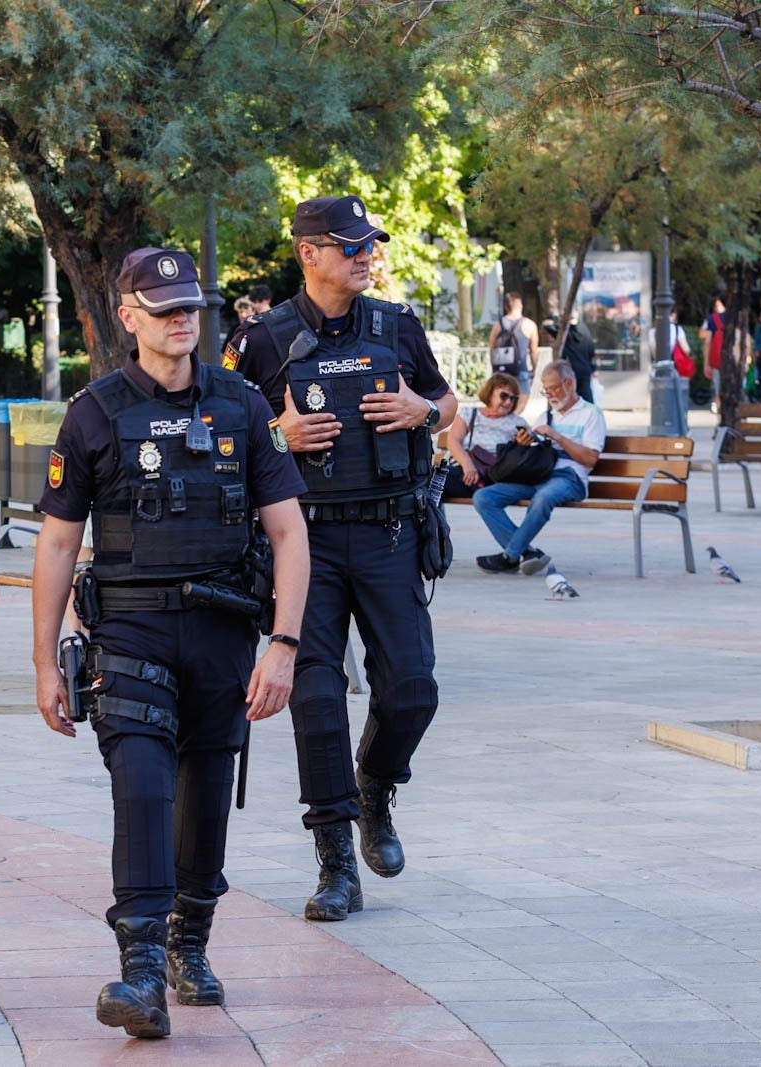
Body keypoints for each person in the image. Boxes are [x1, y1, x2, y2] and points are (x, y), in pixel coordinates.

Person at [32, 247, 309, 1038]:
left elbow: (289, 533)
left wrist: (283, 644)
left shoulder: (246, 406)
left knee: (204, 799)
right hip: (128, 627)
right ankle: (142, 965)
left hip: (223, 632)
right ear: (128, 317)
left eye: (190, 306)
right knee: (143, 788)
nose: (182, 319)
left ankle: (192, 939)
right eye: (163, 308)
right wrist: (44, 659)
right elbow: (57, 544)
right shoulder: (94, 411)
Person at [229, 194, 457, 924]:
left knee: (414, 687)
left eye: (369, 246)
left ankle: (376, 787)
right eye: (349, 246)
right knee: (318, 698)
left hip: (391, 535)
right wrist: (277, 433)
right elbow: (220, 433)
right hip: (308, 544)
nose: (365, 256)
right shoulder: (263, 340)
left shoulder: (397, 325)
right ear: (309, 253)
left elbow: (448, 403)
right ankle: (334, 862)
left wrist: (426, 413)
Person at [474, 361, 606, 575]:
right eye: (546, 390)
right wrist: (526, 441)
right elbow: (535, 451)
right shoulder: (546, 416)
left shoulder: (591, 414)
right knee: (484, 497)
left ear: (569, 383)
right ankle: (527, 553)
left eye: (553, 388)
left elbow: (590, 459)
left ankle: (510, 556)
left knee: (543, 497)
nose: (550, 394)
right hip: (538, 475)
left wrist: (558, 437)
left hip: (569, 478)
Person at [444, 372, 528, 497]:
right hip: (463, 469)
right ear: (490, 394)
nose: (508, 402)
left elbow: (524, 453)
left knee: (435, 482)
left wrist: (522, 444)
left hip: (489, 478)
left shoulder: (518, 423)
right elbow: (453, 441)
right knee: (431, 483)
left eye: (513, 398)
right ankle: (435, 517)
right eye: (504, 396)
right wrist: (468, 465)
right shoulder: (469, 413)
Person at [487, 291, 539, 405]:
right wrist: (535, 369)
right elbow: (533, 350)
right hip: (521, 369)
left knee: (501, 402)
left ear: (506, 307)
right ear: (521, 306)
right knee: (521, 401)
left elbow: (491, 348)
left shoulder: (498, 325)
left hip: (501, 370)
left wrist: (494, 367)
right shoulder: (530, 325)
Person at [559, 318, 597, 403]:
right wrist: (593, 368)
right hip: (584, 369)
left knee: (576, 398)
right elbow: (591, 349)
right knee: (586, 397)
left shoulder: (569, 331)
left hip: (573, 369)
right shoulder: (584, 328)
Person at [698, 296, 726, 402]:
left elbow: (706, 340)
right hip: (734, 360)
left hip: (717, 358)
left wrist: (706, 363)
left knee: (718, 388)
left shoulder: (712, 319)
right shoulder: (738, 317)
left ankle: (719, 411)